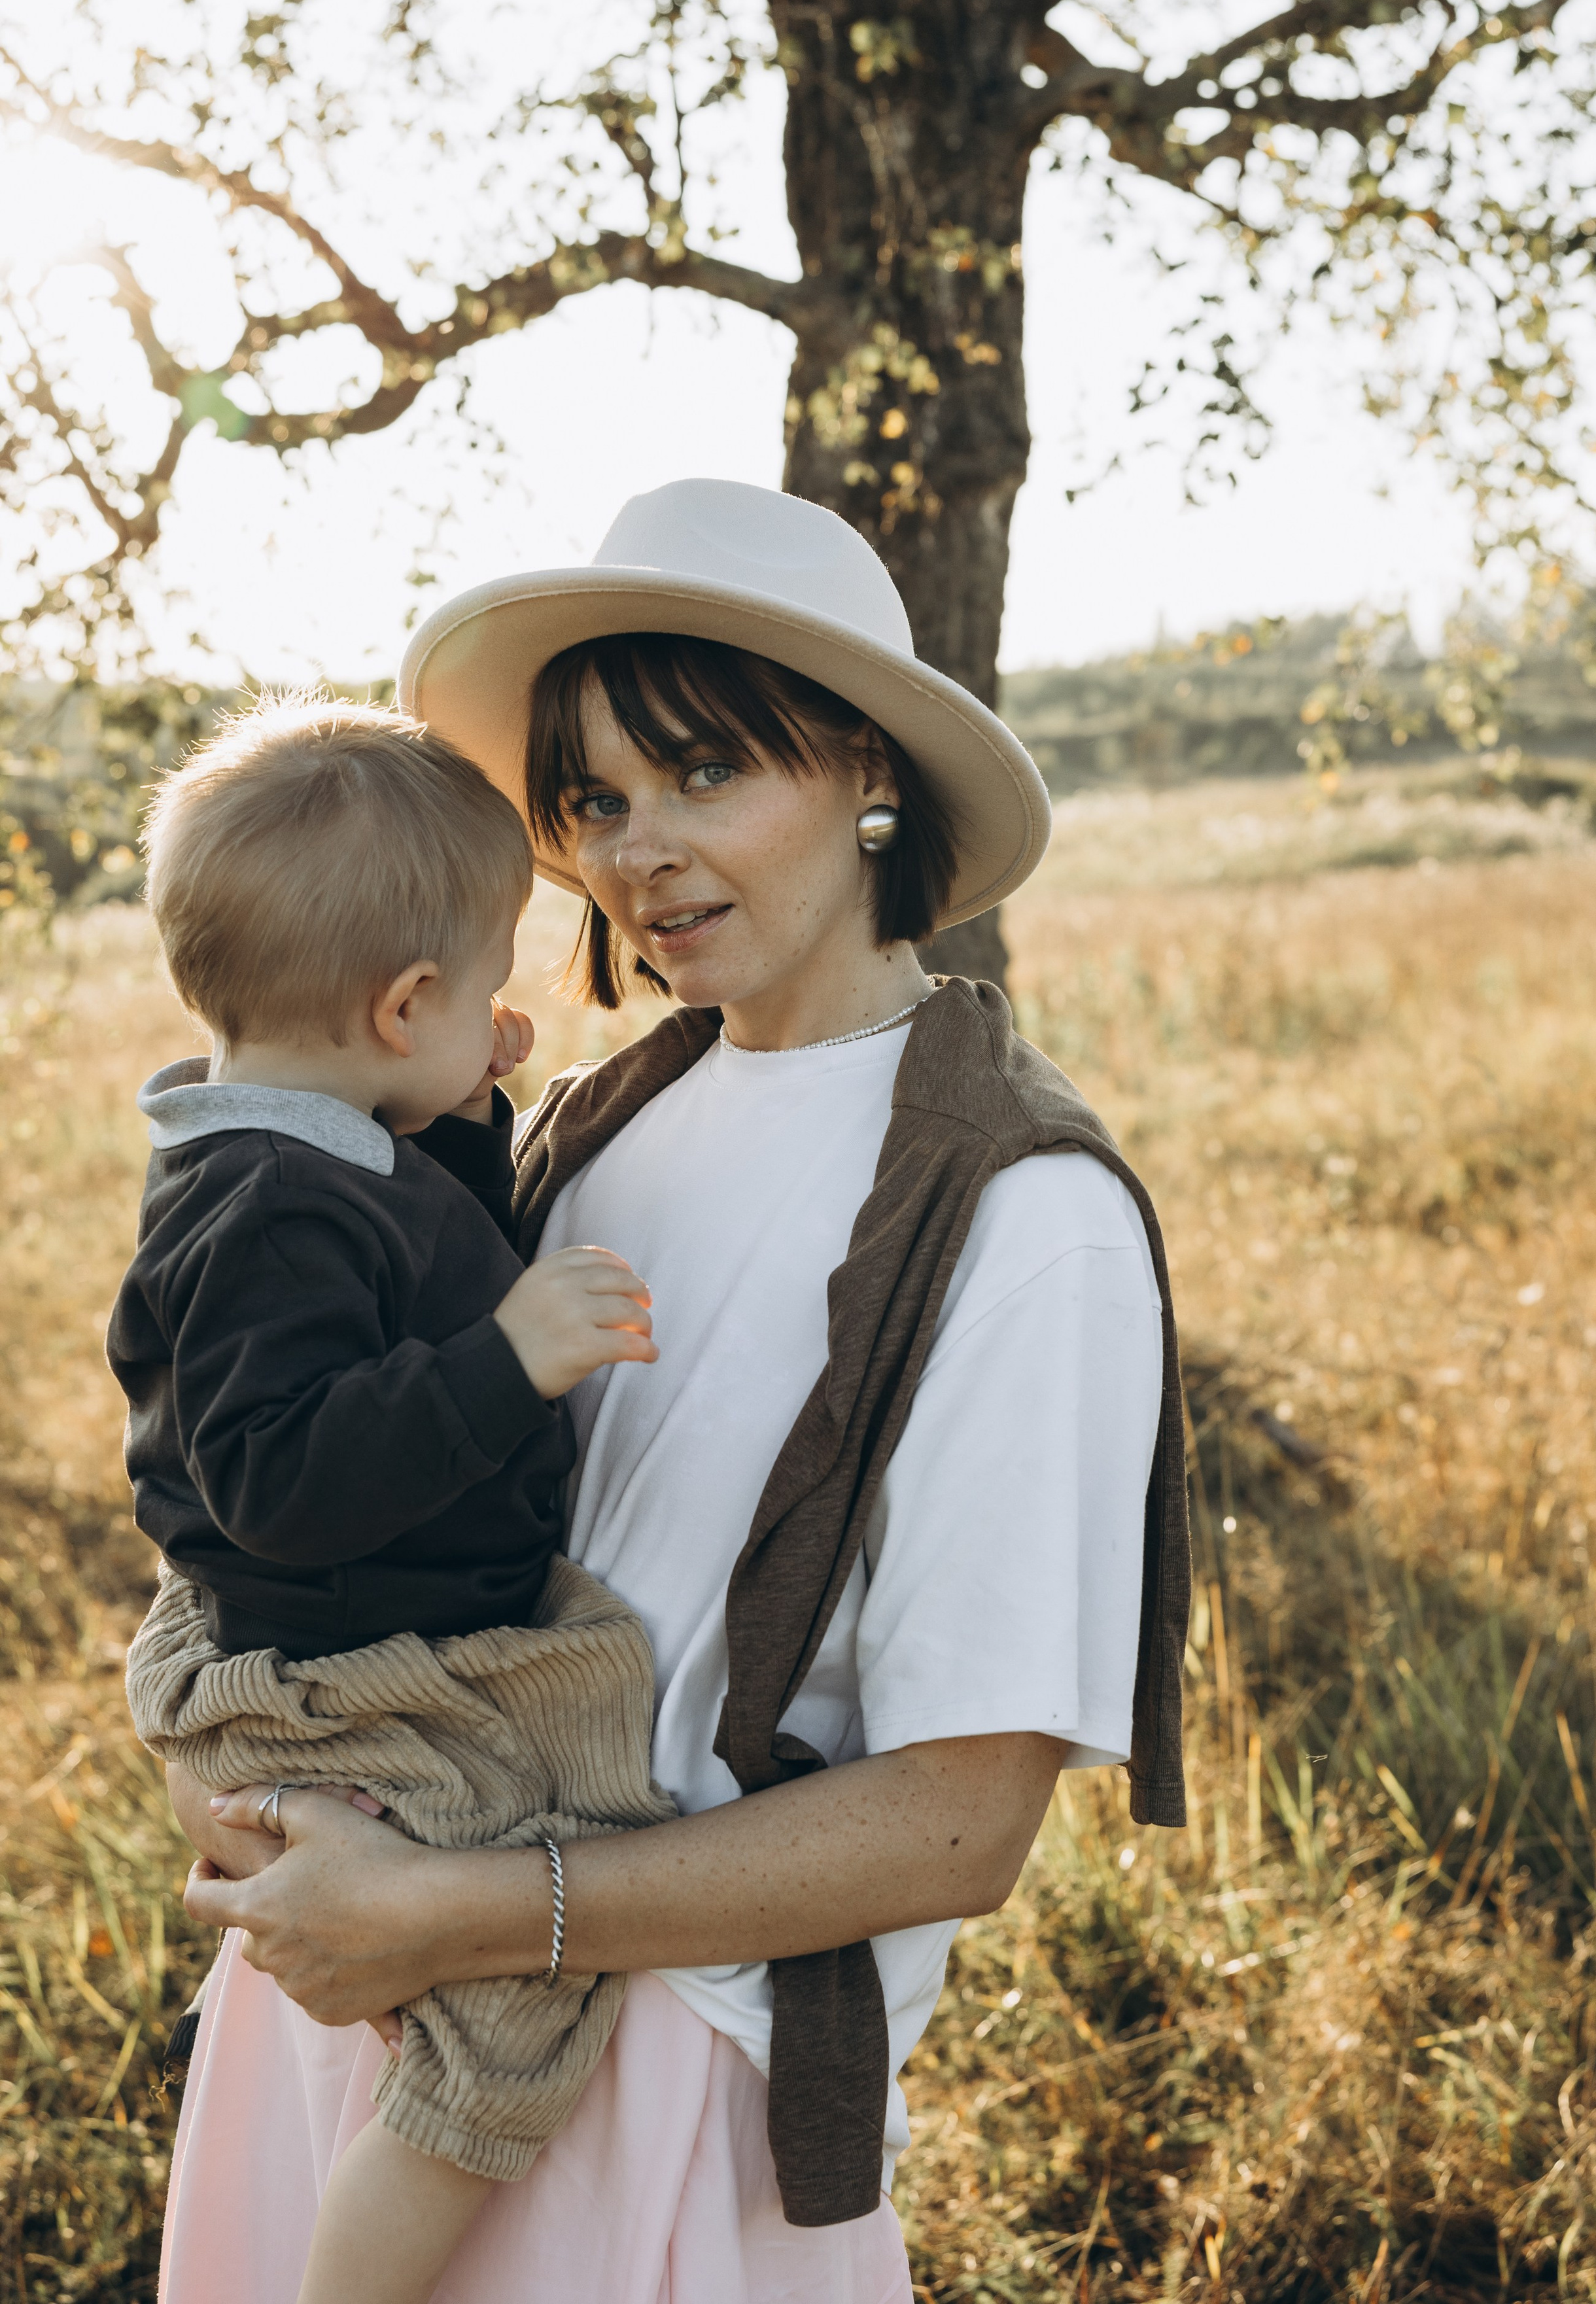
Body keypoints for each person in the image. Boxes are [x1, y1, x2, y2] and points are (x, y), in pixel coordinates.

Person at [160, 480, 1190, 2303]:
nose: (638, 853)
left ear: (870, 769)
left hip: (652, 2079)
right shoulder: (579, 1127)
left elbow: (962, 1822)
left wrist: (467, 1911)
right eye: (593, 801)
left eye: (708, 773)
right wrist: (242, 1788)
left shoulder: (1021, 1211)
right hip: (356, 1990)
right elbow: (296, 1465)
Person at [111, 699, 676, 2304]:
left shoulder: (331, 1146)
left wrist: (464, 1108)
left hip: (372, 1640)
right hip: (348, 1679)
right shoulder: (266, 1210)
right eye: (483, 987)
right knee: (504, 2023)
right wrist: (507, 1364)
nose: (501, 1012)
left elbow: (410, 1264)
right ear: (402, 1001)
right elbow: (284, 1478)